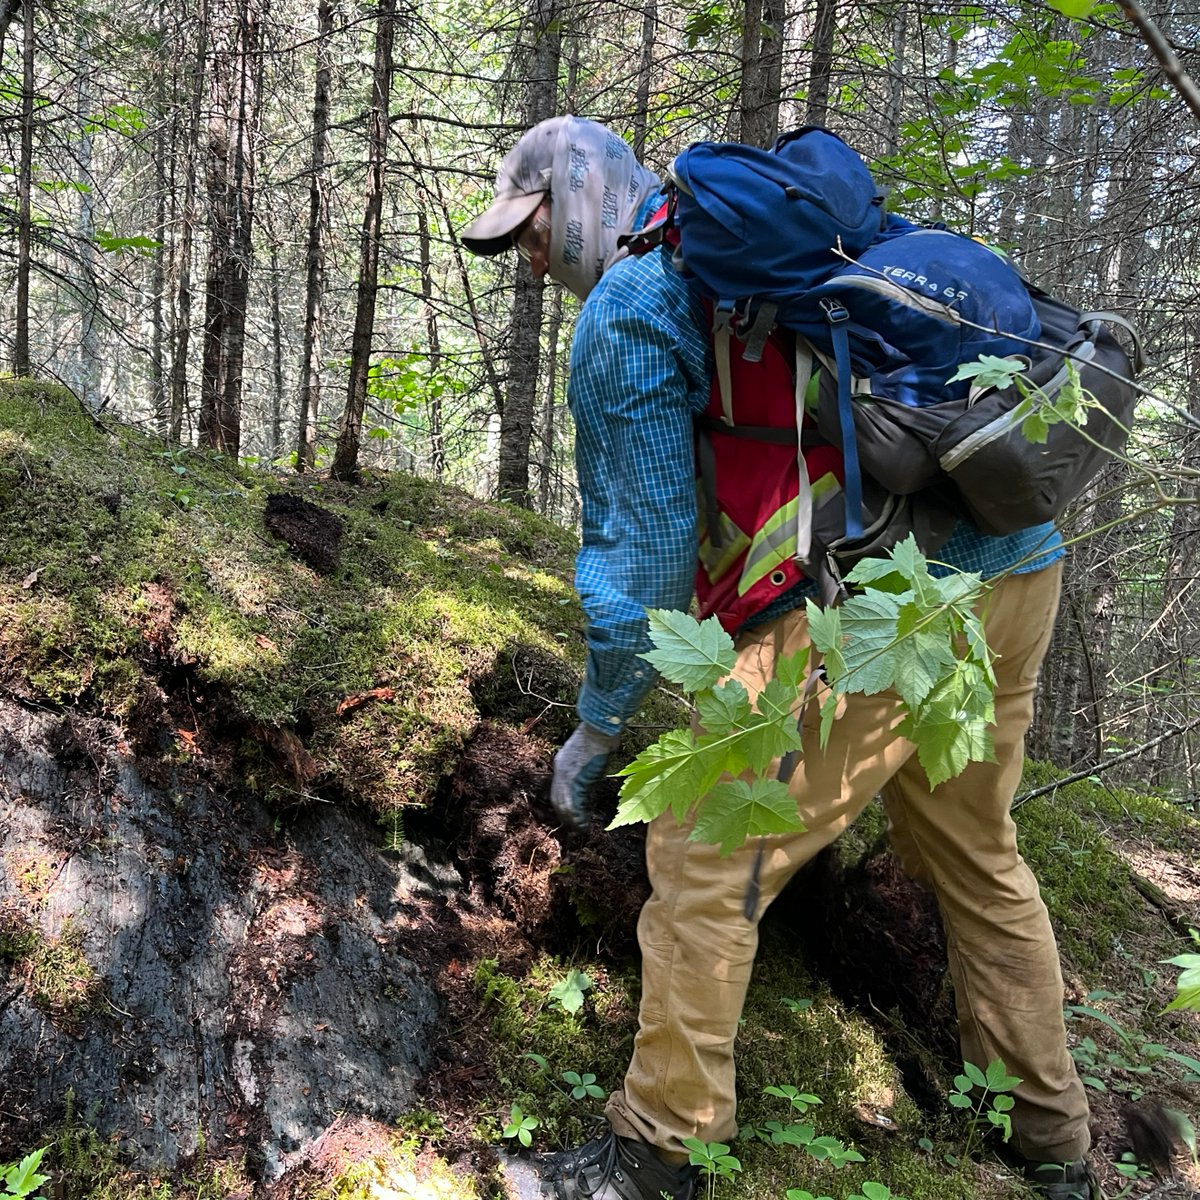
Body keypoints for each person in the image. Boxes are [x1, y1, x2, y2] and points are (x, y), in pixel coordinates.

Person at [461, 115, 1098, 1200]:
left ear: (579, 200)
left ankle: (657, 1151)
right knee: (976, 852)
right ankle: (1053, 1148)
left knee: (705, 854)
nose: (529, 261)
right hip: (1015, 565)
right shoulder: (791, 254)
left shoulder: (633, 305)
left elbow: (645, 555)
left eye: (531, 232)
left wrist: (598, 729)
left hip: (880, 604)